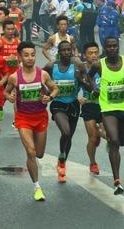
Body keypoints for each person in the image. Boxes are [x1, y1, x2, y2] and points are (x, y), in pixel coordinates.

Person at [87, 36, 124, 195]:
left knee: (120, 142)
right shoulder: (98, 65)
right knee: (114, 141)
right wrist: (94, 88)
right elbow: (89, 76)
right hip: (107, 107)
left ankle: (111, 144)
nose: (112, 49)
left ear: (118, 47)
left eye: (115, 46)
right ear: (105, 49)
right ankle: (117, 180)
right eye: (109, 47)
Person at [4, 41, 58, 201]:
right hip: (23, 118)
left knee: (39, 153)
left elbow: (55, 88)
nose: (30, 58)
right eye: (26, 55)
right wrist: (10, 97)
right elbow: (6, 92)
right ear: (20, 57)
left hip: (40, 117)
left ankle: (35, 168)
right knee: (31, 152)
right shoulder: (14, 78)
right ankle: (37, 187)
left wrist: (50, 96)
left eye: (33, 55)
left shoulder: (43, 75)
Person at [44, 40, 85, 183]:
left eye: (69, 50)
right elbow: (41, 80)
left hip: (73, 104)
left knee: (69, 137)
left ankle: (62, 163)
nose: (66, 52)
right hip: (58, 104)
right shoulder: (51, 66)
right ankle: (62, 155)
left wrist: (82, 80)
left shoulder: (78, 65)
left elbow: (87, 83)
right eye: (63, 50)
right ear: (59, 52)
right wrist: (45, 94)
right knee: (65, 132)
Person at [79, 42, 103, 175]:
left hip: (105, 107)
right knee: (92, 138)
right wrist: (78, 98)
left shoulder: (105, 67)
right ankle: (93, 162)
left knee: (109, 136)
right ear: (84, 55)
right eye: (90, 53)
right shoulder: (82, 70)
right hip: (89, 106)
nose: (94, 55)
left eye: (96, 52)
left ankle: (100, 133)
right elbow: (74, 85)